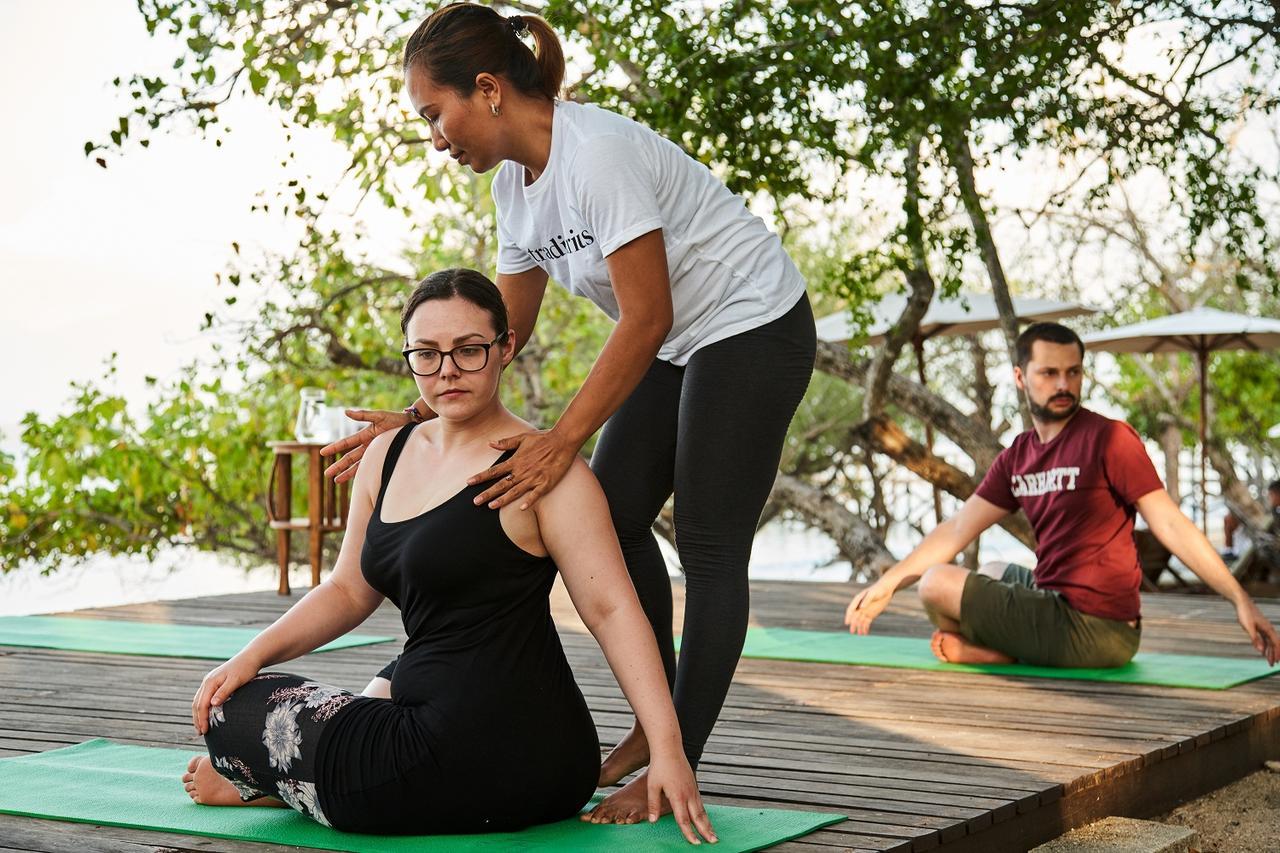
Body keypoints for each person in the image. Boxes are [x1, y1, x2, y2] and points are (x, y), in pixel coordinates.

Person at [321, 2, 816, 823]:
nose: (435, 139)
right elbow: (504, 332)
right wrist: (419, 412)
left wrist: (561, 439)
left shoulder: (599, 156)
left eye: (433, 115)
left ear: (485, 90)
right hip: (679, 338)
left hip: (752, 321)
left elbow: (646, 315)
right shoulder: (516, 186)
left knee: (707, 543)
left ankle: (675, 756)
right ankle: (653, 729)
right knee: (614, 514)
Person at [183, 270, 716, 845]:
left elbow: (612, 609)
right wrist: (248, 656)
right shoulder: (386, 454)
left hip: (455, 755)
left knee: (231, 714)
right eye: (427, 355)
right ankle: (295, 776)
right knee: (372, 677)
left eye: (468, 351)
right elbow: (346, 590)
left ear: (506, 347)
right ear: (409, 358)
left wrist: (669, 749)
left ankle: (278, 780)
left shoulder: (541, 466)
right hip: (551, 768)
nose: (447, 372)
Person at [843, 322, 1279, 669]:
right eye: (1049, 373)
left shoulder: (1109, 440)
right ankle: (1003, 652)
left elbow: (1170, 523)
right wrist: (889, 582)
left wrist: (1240, 599)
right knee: (991, 568)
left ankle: (1001, 652)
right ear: (1020, 378)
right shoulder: (1020, 455)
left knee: (938, 582)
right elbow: (959, 527)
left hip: (1100, 629)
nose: (1063, 384)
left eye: (1073, 372)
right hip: (1053, 603)